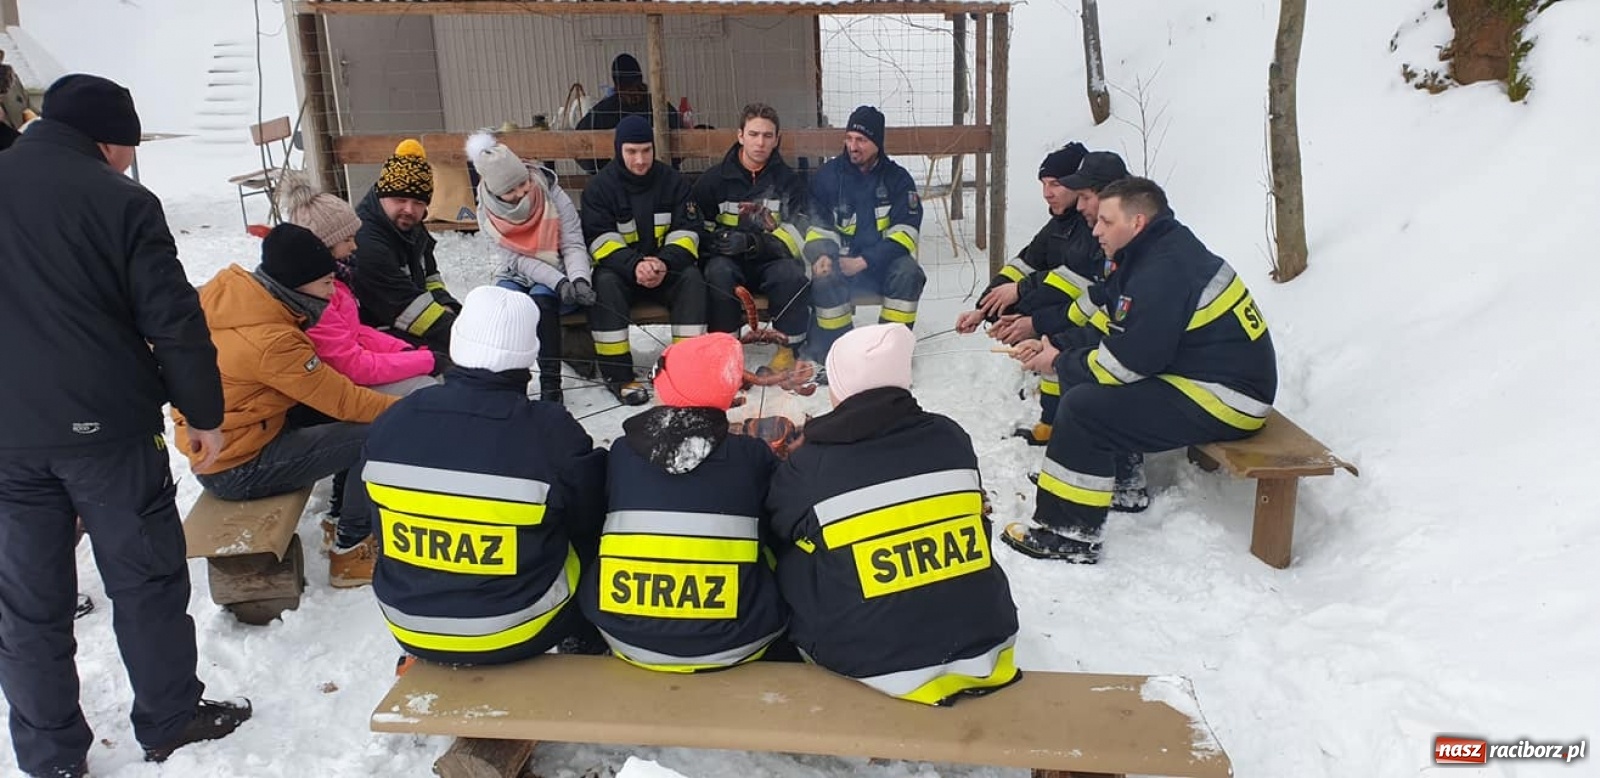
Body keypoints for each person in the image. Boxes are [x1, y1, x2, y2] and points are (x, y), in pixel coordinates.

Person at [0, 73, 249, 777]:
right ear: (109, 141)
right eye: (129, 148)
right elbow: (174, 323)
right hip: (107, 432)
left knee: (27, 607)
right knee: (145, 582)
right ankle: (169, 717)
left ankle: (49, 757)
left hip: (8, 441)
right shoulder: (122, 202)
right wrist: (204, 415)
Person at [1002, 177, 1278, 563]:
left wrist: (1059, 363)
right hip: (1207, 378)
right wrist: (1058, 345)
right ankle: (1123, 486)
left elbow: (1126, 364)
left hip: (1227, 397)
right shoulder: (1150, 253)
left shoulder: (1164, 271)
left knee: (1085, 406)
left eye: (1106, 221)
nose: (1096, 230)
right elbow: (1114, 325)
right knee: (1089, 381)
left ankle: (1070, 534)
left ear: (1137, 222)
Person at [767, 324, 1020, 705]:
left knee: (786, 549)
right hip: (987, 638)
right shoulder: (950, 436)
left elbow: (775, 525)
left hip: (869, 657)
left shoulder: (811, 465)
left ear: (842, 386)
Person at [363, 286, 609, 666]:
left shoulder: (394, 419)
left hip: (407, 623)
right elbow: (591, 517)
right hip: (521, 627)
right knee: (594, 543)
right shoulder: (549, 431)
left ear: (457, 343)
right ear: (528, 357)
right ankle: (585, 640)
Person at [173, 223, 400, 587]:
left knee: (346, 420)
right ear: (298, 283)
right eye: (326, 283)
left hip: (239, 434)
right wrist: (412, 412)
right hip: (238, 465)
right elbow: (344, 400)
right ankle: (352, 549)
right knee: (377, 436)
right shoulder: (271, 340)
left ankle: (338, 515)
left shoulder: (239, 297)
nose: (332, 293)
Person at [579, 333, 788, 671]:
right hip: (736, 640)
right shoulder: (752, 457)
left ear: (664, 388)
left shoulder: (622, 453)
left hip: (625, 635)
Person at [281, 171, 445, 397]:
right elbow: (351, 364)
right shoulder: (317, 296)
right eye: (347, 239)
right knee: (425, 388)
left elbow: (356, 333)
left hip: (352, 371)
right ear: (324, 246)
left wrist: (408, 351)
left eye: (418, 202)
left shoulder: (337, 281)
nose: (355, 246)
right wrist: (425, 360)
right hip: (336, 388)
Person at [581, 115, 708, 405]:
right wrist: (634, 266)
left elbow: (689, 233)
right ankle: (619, 377)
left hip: (666, 270)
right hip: (622, 274)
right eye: (632, 151)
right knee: (603, 282)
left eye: (646, 150)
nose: (640, 160)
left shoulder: (674, 182)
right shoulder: (599, 188)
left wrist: (664, 263)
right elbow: (599, 240)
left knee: (692, 278)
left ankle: (686, 370)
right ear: (618, 150)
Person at [467, 132, 595, 403]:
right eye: (510, 191)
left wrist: (578, 279)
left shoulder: (551, 192)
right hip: (516, 270)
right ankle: (512, 385)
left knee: (542, 303)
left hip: (557, 264)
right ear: (494, 191)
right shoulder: (486, 212)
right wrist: (558, 282)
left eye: (523, 183)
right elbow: (515, 259)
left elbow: (572, 243)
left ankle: (551, 385)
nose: (521, 193)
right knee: (506, 309)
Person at [802, 106, 925, 364]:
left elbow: (905, 234)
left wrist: (864, 261)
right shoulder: (827, 177)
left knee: (909, 273)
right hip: (839, 262)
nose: (853, 146)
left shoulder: (898, 180)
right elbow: (816, 225)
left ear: (877, 143)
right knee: (824, 278)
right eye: (849, 138)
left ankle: (890, 352)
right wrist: (822, 255)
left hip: (882, 265)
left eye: (861, 140)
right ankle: (839, 353)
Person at [692, 103, 811, 367]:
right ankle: (725, 353)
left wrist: (754, 243)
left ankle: (788, 352)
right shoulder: (713, 181)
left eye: (768, 136)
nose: (760, 143)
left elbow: (798, 236)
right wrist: (720, 242)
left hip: (772, 260)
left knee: (791, 275)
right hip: (727, 260)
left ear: (777, 139)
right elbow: (697, 229)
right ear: (740, 136)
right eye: (754, 134)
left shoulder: (789, 182)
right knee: (717, 273)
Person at [350, 139, 462, 354]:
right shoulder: (365, 241)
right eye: (400, 199)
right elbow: (404, 308)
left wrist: (447, 306)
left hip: (406, 322)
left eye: (418, 202)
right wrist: (461, 334)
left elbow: (430, 277)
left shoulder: (410, 225)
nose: (409, 209)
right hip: (374, 334)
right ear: (382, 195)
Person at [575, 53, 684, 174]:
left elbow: (578, 146)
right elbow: (682, 145)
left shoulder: (603, 110)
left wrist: (604, 171)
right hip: (660, 176)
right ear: (640, 77)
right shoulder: (658, 106)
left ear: (616, 83)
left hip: (619, 180)